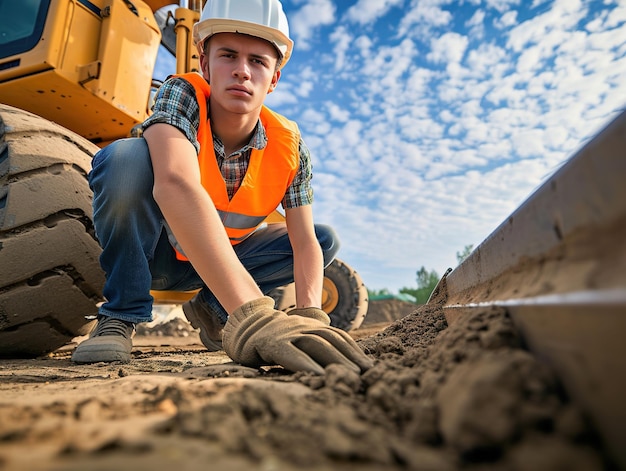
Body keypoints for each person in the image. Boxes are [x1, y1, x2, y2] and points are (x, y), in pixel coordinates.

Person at [71, 0, 372, 375]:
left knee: (324, 238)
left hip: (215, 262)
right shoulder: (181, 95)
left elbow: (304, 241)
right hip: (156, 256)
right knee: (126, 160)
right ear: (205, 62)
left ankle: (214, 308)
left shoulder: (290, 145)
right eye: (228, 55)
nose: (242, 71)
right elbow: (175, 184)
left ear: (274, 78)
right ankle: (119, 315)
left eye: (258, 61)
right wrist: (255, 313)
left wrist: (310, 316)